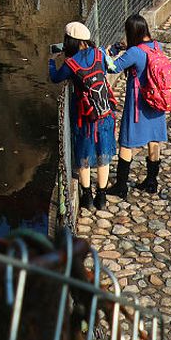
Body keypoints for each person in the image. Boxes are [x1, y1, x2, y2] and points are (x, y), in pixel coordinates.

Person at [48, 20, 117, 211]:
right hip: (104, 114)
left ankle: (87, 198)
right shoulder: (99, 53)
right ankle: (101, 198)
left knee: (83, 157)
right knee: (104, 156)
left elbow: (55, 78)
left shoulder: (71, 63)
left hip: (84, 116)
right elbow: (110, 67)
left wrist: (52, 60)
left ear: (69, 42)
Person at [108, 13, 168, 199]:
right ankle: (151, 182)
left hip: (138, 104)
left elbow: (113, 67)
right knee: (154, 139)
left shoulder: (134, 52)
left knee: (126, 142)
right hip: (157, 102)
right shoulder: (156, 46)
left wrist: (112, 50)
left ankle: (121, 186)